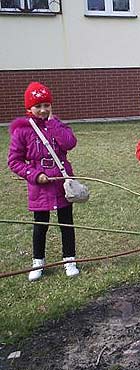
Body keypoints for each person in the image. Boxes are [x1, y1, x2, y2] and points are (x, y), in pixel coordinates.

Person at [8, 82, 80, 280]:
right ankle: (38, 262)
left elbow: (70, 143)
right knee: (40, 225)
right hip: (39, 187)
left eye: (46, 105)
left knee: (67, 223)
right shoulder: (22, 131)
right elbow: (14, 161)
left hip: (61, 182)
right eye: (38, 106)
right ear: (29, 108)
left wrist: (54, 124)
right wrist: (34, 175)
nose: (42, 110)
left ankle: (69, 259)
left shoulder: (57, 125)